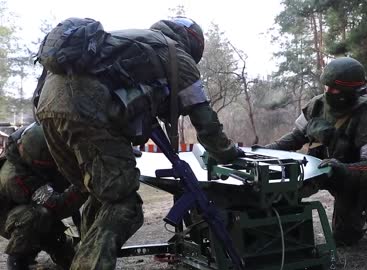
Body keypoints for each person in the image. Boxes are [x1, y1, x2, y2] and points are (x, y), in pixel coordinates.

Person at [34, 16, 244, 269]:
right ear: (193, 42)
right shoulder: (176, 54)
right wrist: (228, 153)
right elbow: (205, 121)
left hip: (47, 105)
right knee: (125, 206)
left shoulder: (129, 41)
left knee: (99, 194)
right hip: (87, 109)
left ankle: (83, 257)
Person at [254, 57, 367, 246]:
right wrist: (266, 151)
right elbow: (296, 137)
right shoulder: (316, 105)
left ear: (349, 91)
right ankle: (286, 240)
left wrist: (343, 169)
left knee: (346, 239)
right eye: (326, 86)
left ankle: (355, 219)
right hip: (314, 168)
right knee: (279, 195)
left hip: (347, 178)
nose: (328, 91)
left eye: (334, 88)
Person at [0, 122, 86, 270]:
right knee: (38, 215)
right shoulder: (14, 177)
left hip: (31, 209)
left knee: (70, 259)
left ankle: (56, 245)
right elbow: (57, 206)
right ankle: (18, 260)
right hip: (10, 218)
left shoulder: (34, 141)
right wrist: (83, 186)